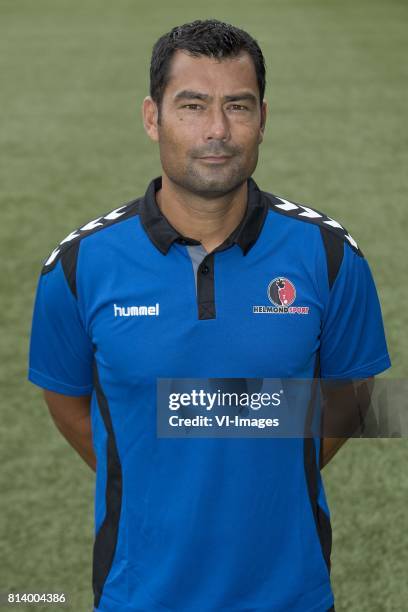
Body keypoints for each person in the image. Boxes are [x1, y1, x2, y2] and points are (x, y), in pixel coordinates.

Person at [27, 19, 391, 612]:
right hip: (138, 595)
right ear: (153, 117)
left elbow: (354, 398)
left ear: (263, 119)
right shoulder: (78, 266)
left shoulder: (328, 256)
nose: (217, 130)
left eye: (237, 107)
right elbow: (67, 401)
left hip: (291, 594)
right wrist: (154, 458)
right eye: (192, 106)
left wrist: (251, 444)